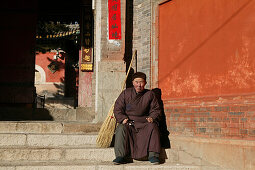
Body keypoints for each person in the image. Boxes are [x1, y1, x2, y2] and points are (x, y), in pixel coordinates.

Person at [113, 72, 161, 165]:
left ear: (145, 83)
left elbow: (156, 109)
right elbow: (118, 108)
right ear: (133, 82)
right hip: (129, 122)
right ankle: (120, 156)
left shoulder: (149, 94)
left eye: (141, 82)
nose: (139, 85)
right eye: (136, 82)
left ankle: (153, 155)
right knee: (121, 128)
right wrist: (123, 118)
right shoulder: (126, 93)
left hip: (144, 122)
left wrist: (152, 117)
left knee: (153, 127)